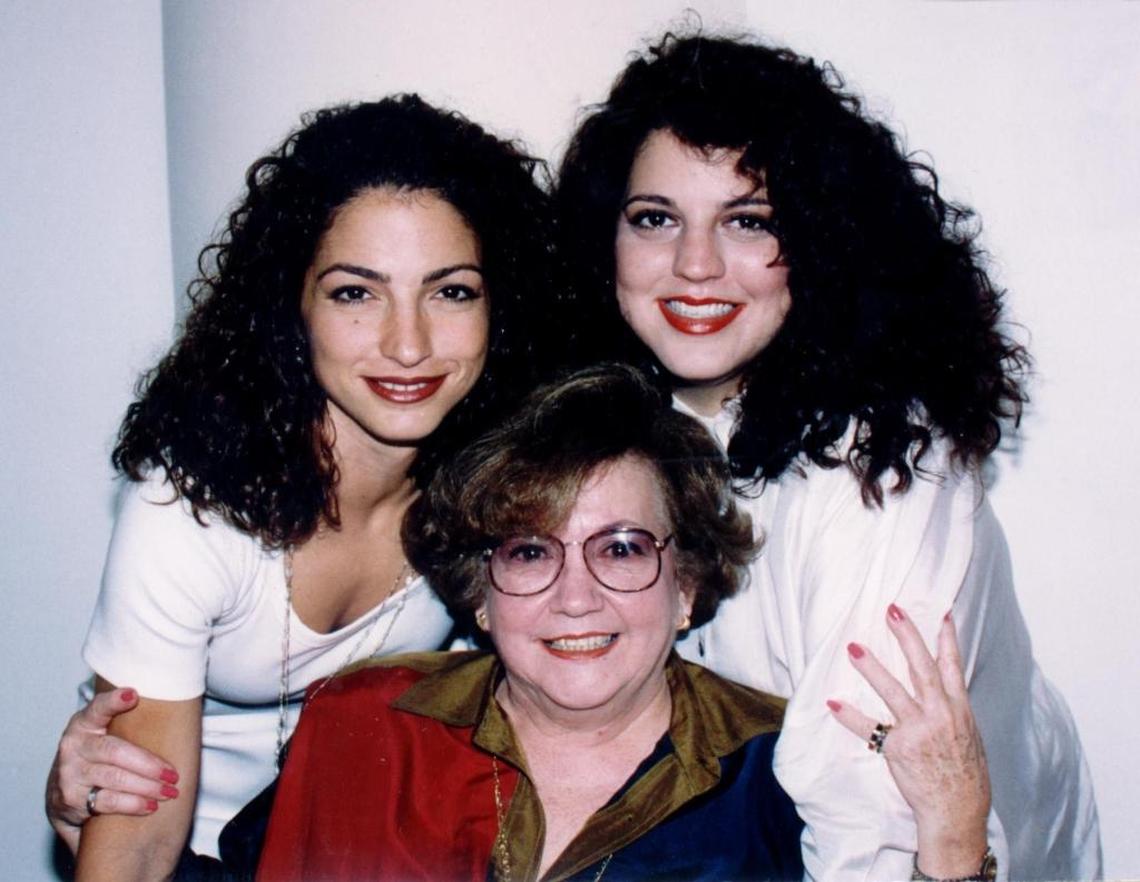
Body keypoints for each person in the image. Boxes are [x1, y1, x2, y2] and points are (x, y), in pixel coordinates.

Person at [556, 33, 1101, 881]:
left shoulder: (881, 473)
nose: (694, 266)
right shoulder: (628, 421)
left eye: (748, 222)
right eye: (656, 219)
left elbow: (874, 822)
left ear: (821, 243)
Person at [48, 94, 559, 879]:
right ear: (293, 306)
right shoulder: (189, 507)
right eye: (356, 292)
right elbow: (140, 833)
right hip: (200, 853)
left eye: (451, 290)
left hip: (381, 848)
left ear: (502, 306)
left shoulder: (501, 479)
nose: (408, 342)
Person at [257, 364, 993, 882]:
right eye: (529, 550)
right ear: (480, 592)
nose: (576, 596)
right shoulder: (364, 722)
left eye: (621, 548)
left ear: (687, 585)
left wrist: (955, 839)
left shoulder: (778, 782)